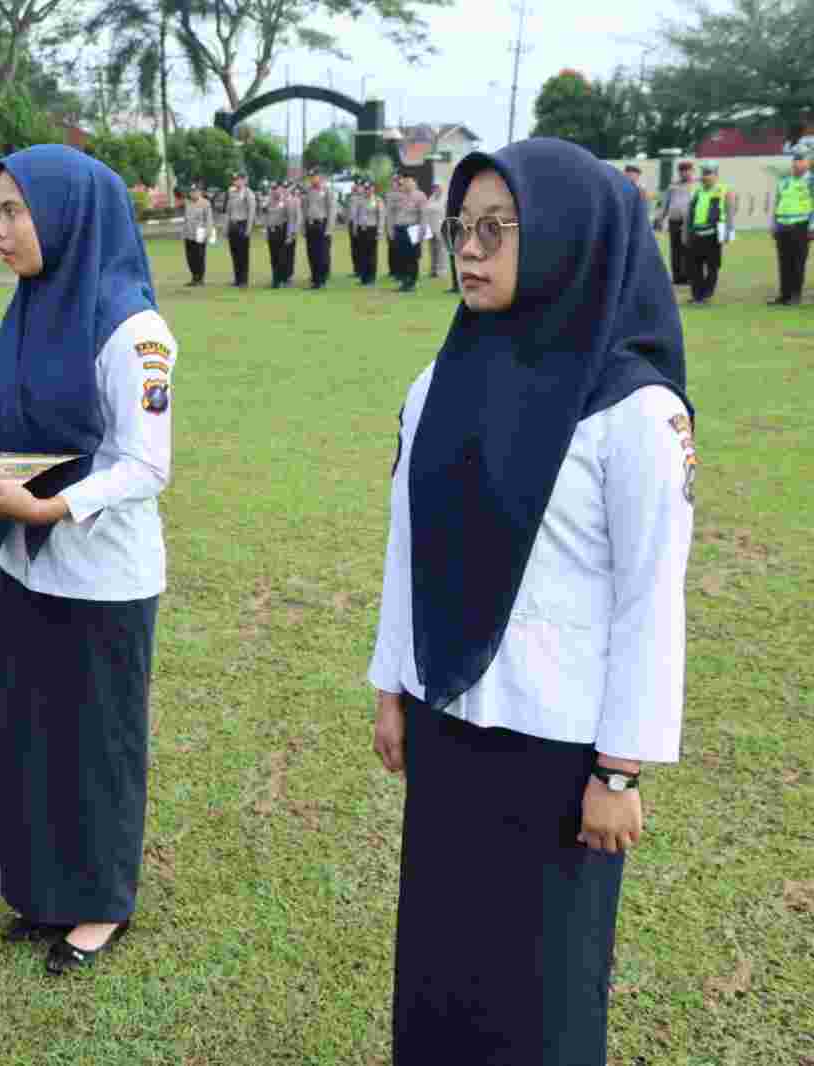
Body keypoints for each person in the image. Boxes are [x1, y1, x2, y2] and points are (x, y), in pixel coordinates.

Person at [370, 138, 693, 1066]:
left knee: (540, 982)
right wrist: (393, 684)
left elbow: (648, 602)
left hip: (559, 755)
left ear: (565, 239)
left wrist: (618, 771)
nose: (468, 252)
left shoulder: (633, 413)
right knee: (441, 958)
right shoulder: (436, 382)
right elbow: (409, 544)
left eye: (497, 231)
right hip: (448, 719)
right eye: (459, 229)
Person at [0, 144, 174, 978]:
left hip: (101, 575)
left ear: (67, 217)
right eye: (0, 209)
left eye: (15, 210)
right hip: (27, 565)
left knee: (95, 742)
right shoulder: (28, 309)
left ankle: (98, 905)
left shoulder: (133, 329)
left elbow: (144, 463)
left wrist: (54, 506)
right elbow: (0, 424)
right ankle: (44, 890)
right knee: (35, 736)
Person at [684, 161, 735, 306]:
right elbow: (690, 214)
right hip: (696, 234)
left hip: (713, 234)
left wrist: (728, 232)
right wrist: (686, 233)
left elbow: (729, 212)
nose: (705, 177)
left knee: (712, 266)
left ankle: (706, 294)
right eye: (704, 174)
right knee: (694, 267)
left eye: (709, 173)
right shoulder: (698, 192)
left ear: (716, 175)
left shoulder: (724, 190)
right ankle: (697, 295)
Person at [769, 145, 814, 307]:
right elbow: (777, 202)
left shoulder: (811, 181)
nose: (797, 164)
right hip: (783, 225)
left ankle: (795, 295)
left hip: (801, 226)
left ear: (808, 163)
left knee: (798, 262)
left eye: (801, 160)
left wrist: (812, 226)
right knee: (784, 262)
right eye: (795, 160)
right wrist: (773, 223)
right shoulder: (784, 181)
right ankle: (784, 295)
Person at [654, 160, 695, 285]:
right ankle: (677, 277)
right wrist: (660, 218)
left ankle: (689, 276)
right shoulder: (673, 186)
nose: (685, 173)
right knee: (676, 250)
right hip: (674, 221)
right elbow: (665, 204)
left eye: (688, 171)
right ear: (679, 172)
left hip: (690, 222)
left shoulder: (697, 185)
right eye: (682, 171)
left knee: (689, 249)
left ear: (692, 171)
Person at [386, 174, 428, 293]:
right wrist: (390, 229)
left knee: (412, 257)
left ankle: (411, 282)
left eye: (409, 181)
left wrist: (422, 231)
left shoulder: (420, 196)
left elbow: (423, 215)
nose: (406, 184)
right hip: (399, 228)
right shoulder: (397, 196)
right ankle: (404, 281)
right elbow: (390, 214)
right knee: (401, 256)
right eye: (404, 182)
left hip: (413, 228)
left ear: (414, 182)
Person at [302, 169, 334, 289]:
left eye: (314, 177)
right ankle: (315, 278)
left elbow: (332, 210)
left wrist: (329, 228)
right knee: (312, 253)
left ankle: (321, 279)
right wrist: (304, 227)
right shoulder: (308, 191)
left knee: (322, 254)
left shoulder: (327, 191)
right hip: (310, 224)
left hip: (322, 224)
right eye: (310, 177)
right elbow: (304, 209)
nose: (312, 179)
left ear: (320, 177)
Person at [225, 171, 257, 287]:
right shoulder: (231, 192)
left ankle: (243, 280)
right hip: (233, 225)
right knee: (234, 254)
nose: (236, 182)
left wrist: (248, 229)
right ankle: (237, 278)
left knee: (243, 254)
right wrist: (226, 227)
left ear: (244, 180)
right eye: (234, 180)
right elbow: (228, 211)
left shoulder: (249, 194)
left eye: (238, 179)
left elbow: (251, 213)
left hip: (242, 225)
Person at [181, 184, 213, 286]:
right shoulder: (187, 203)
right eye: (191, 191)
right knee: (190, 257)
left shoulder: (205, 203)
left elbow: (209, 220)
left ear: (200, 192)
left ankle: (200, 278)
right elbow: (186, 219)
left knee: (199, 256)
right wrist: (183, 233)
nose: (193, 193)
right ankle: (194, 277)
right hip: (188, 233)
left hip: (200, 233)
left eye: (195, 191)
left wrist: (208, 233)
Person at [261, 182, 291, 288]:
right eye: (273, 189)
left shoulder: (286, 202)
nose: (274, 191)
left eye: (276, 189)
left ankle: (282, 279)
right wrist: (264, 230)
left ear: (281, 189)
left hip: (281, 231)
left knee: (281, 258)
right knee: (273, 257)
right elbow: (264, 216)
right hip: (271, 231)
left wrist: (289, 234)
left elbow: (290, 219)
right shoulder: (268, 202)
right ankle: (275, 280)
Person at [423, 181, 449, 285]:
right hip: (431, 228)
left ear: (441, 188)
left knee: (441, 250)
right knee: (432, 250)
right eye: (434, 188)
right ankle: (433, 270)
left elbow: (448, 214)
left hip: (441, 228)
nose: (436, 189)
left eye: (437, 187)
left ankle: (441, 271)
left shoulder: (445, 199)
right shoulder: (431, 198)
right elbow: (426, 212)